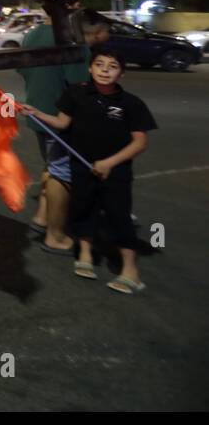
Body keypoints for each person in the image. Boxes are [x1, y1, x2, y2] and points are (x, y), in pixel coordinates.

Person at [21, 49, 156, 295]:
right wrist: (36, 113)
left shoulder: (131, 104)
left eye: (112, 66)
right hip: (81, 165)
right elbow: (63, 124)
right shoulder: (75, 93)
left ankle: (130, 270)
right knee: (84, 209)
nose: (105, 70)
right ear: (90, 69)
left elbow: (140, 142)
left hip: (115, 171)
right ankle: (84, 254)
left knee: (119, 216)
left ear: (121, 73)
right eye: (99, 64)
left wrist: (109, 163)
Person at [18, 9, 110, 254]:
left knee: (51, 164)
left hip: (36, 111)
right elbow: (82, 88)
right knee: (62, 173)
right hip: (62, 119)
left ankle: (42, 217)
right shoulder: (72, 42)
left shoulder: (33, 34)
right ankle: (56, 236)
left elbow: (22, 69)